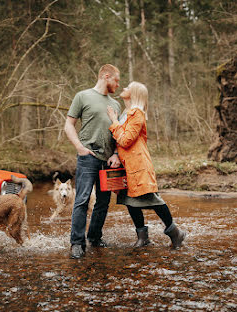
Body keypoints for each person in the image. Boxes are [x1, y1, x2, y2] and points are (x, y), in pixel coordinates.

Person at [106, 81, 186, 249]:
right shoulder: (126, 113)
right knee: (130, 201)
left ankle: (175, 233)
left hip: (139, 166)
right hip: (127, 166)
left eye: (128, 87)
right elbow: (120, 143)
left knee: (152, 199)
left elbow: (125, 140)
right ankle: (143, 238)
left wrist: (113, 121)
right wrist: (115, 154)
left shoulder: (137, 114)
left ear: (134, 94)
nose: (124, 88)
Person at [64, 64, 122, 259]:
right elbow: (68, 125)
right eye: (116, 80)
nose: (118, 85)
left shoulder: (115, 105)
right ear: (106, 76)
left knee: (103, 203)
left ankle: (94, 238)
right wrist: (79, 147)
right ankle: (77, 243)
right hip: (88, 157)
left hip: (108, 162)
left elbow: (118, 134)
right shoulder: (83, 96)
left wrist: (115, 153)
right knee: (82, 199)